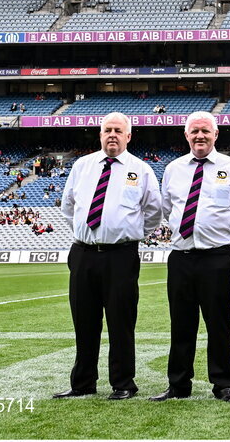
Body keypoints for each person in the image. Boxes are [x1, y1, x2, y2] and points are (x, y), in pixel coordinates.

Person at [55, 112, 161, 401]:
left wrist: (127, 232)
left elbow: (153, 212)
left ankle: (123, 383)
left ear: (128, 136)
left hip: (120, 255)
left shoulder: (141, 169)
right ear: (100, 134)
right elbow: (69, 207)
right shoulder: (82, 165)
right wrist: (88, 232)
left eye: (118, 130)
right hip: (83, 254)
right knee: (84, 321)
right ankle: (83, 383)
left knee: (121, 322)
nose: (112, 134)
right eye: (107, 130)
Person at [150, 111, 230, 403]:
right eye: (194, 131)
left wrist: (217, 232)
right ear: (186, 136)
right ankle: (179, 384)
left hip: (216, 257)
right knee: (181, 323)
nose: (200, 136)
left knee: (218, 322)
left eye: (205, 131)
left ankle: (223, 384)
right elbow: (168, 208)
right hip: (181, 256)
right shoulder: (173, 169)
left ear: (216, 135)